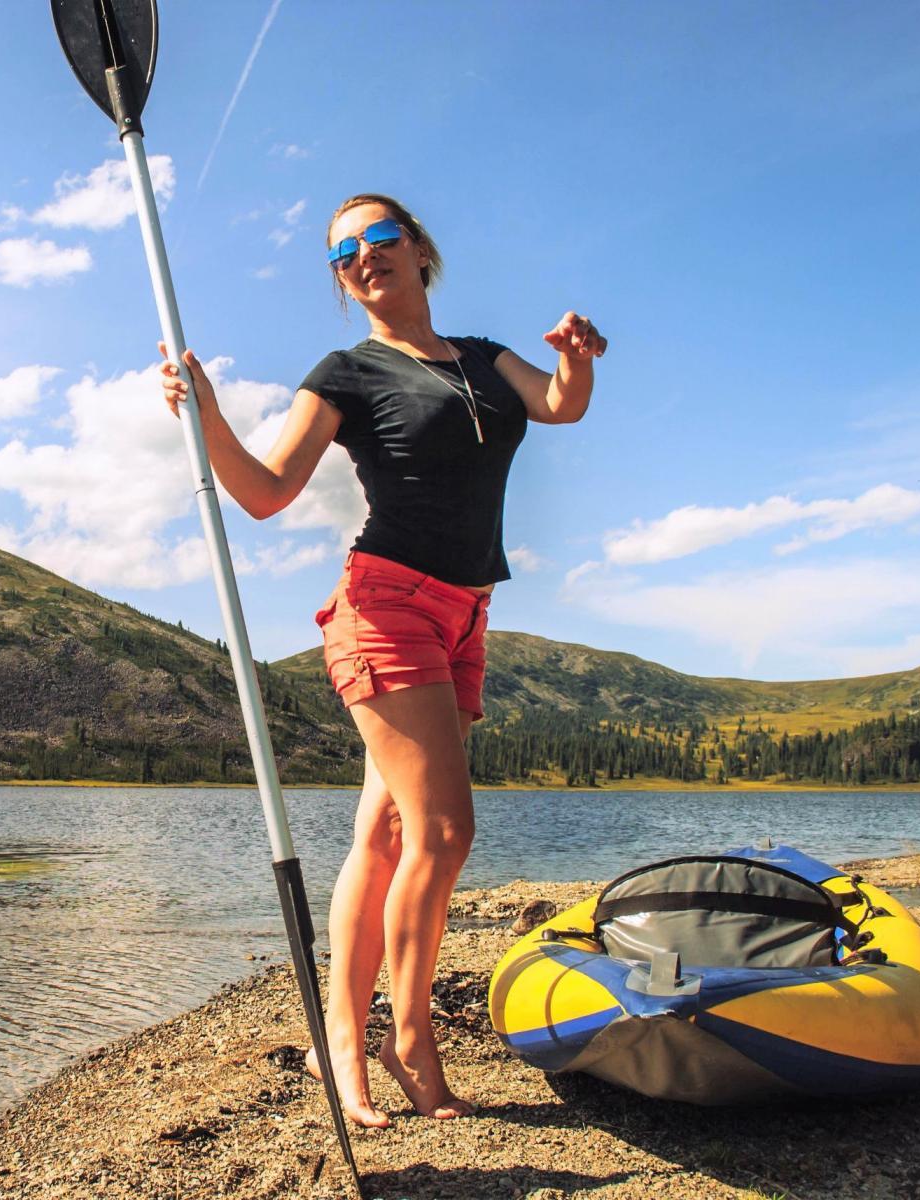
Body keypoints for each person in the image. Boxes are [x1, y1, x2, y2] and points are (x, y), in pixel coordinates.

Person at [157, 193, 605, 1127]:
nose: (363, 256)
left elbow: (560, 408)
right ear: (340, 279)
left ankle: (341, 1050)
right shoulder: (346, 372)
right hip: (386, 604)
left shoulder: (484, 358)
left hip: (467, 612)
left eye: (378, 238)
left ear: (419, 250)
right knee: (444, 834)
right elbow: (270, 493)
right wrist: (206, 415)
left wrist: (574, 357)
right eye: (343, 252)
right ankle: (406, 1039)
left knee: (389, 838)